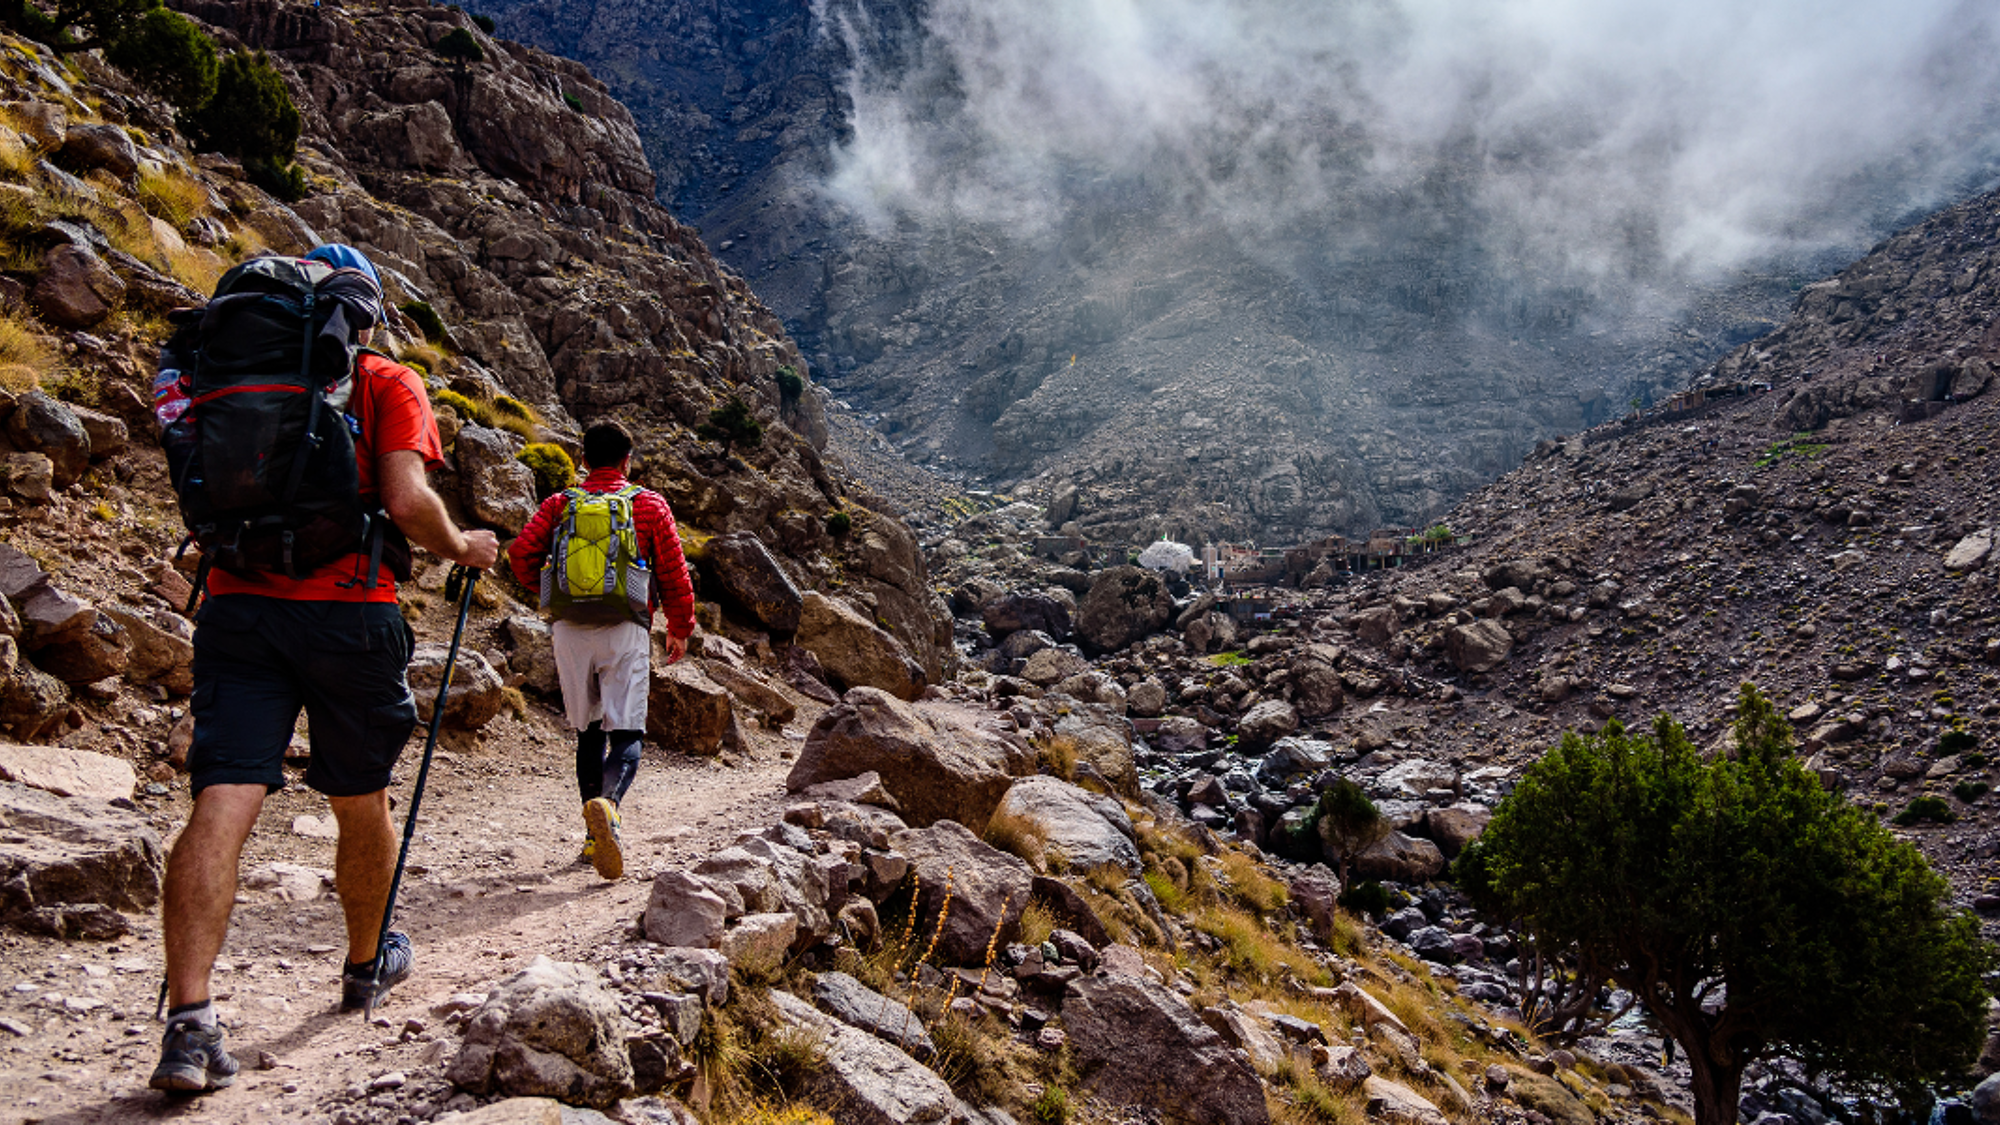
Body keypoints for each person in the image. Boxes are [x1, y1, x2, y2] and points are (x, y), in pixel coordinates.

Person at [152, 245, 500, 1094]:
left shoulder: (218, 370)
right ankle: (363, 960)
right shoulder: (382, 380)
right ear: (361, 312)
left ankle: (190, 1022)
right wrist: (464, 546)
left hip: (238, 609)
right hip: (350, 614)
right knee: (359, 793)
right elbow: (409, 500)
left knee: (223, 796)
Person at [507, 421, 696, 882]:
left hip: (569, 630)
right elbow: (672, 570)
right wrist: (679, 625)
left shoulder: (560, 504)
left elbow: (520, 554)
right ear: (627, 461)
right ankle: (607, 807)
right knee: (627, 730)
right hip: (624, 627)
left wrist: (549, 593)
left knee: (588, 731)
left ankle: (592, 837)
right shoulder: (647, 504)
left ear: (584, 460)